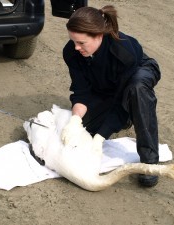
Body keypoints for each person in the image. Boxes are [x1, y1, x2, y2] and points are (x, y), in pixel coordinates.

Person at [61, 5, 161, 187]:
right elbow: (82, 92)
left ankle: (149, 162)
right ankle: (122, 119)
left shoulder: (123, 52)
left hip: (138, 72)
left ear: (99, 36)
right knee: (84, 130)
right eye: (73, 41)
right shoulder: (71, 52)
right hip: (106, 84)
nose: (76, 47)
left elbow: (120, 97)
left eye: (81, 43)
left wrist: (101, 137)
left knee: (136, 91)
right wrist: (75, 120)